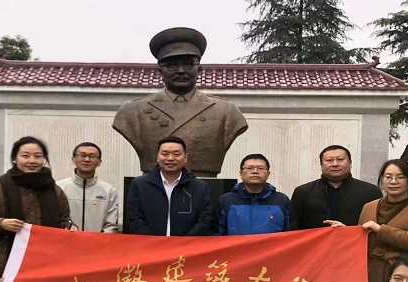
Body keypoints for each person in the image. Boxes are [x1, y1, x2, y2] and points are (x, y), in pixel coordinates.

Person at [112, 27, 248, 177]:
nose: (181, 71)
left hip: (204, 183)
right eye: (171, 65)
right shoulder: (133, 110)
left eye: (189, 64)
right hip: (154, 184)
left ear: (200, 69)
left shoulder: (226, 111)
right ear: (159, 71)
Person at [0, 136, 71, 282]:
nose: (32, 161)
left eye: (38, 156)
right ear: (14, 158)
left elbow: (64, 220)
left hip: (47, 262)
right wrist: (1, 223)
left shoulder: (55, 191)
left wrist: (69, 227)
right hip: (7, 261)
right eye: (25, 156)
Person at [125, 136, 212, 236]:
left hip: (187, 244)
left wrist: (183, 242)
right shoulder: (139, 184)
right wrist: (153, 241)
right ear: (157, 157)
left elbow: (204, 220)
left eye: (176, 154)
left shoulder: (200, 187)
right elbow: (134, 217)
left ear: (185, 157)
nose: (170, 158)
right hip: (149, 243)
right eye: (165, 154)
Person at [290, 145, 382, 230]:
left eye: (340, 159)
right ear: (321, 165)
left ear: (350, 163)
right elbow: (294, 228)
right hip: (317, 242)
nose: (335, 164)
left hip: (355, 242)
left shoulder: (371, 191)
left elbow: (378, 226)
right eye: (329, 160)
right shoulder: (303, 192)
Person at [216, 153, 291, 235]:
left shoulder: (281, 200)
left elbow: (291, 234)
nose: (255, 171)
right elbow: (216, 234)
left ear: (268, 174)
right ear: (241, 174)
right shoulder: (227, 200)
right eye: (249, 168)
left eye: (260, 168)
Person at [56, 142, 119, 232]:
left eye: (92, 156)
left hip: (98, 240)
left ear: (99, 162)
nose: (87, 159)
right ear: (73, 159)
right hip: (66, 240)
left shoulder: (109, 191)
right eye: (82, 155)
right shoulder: (59, 188)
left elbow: (111, 225)